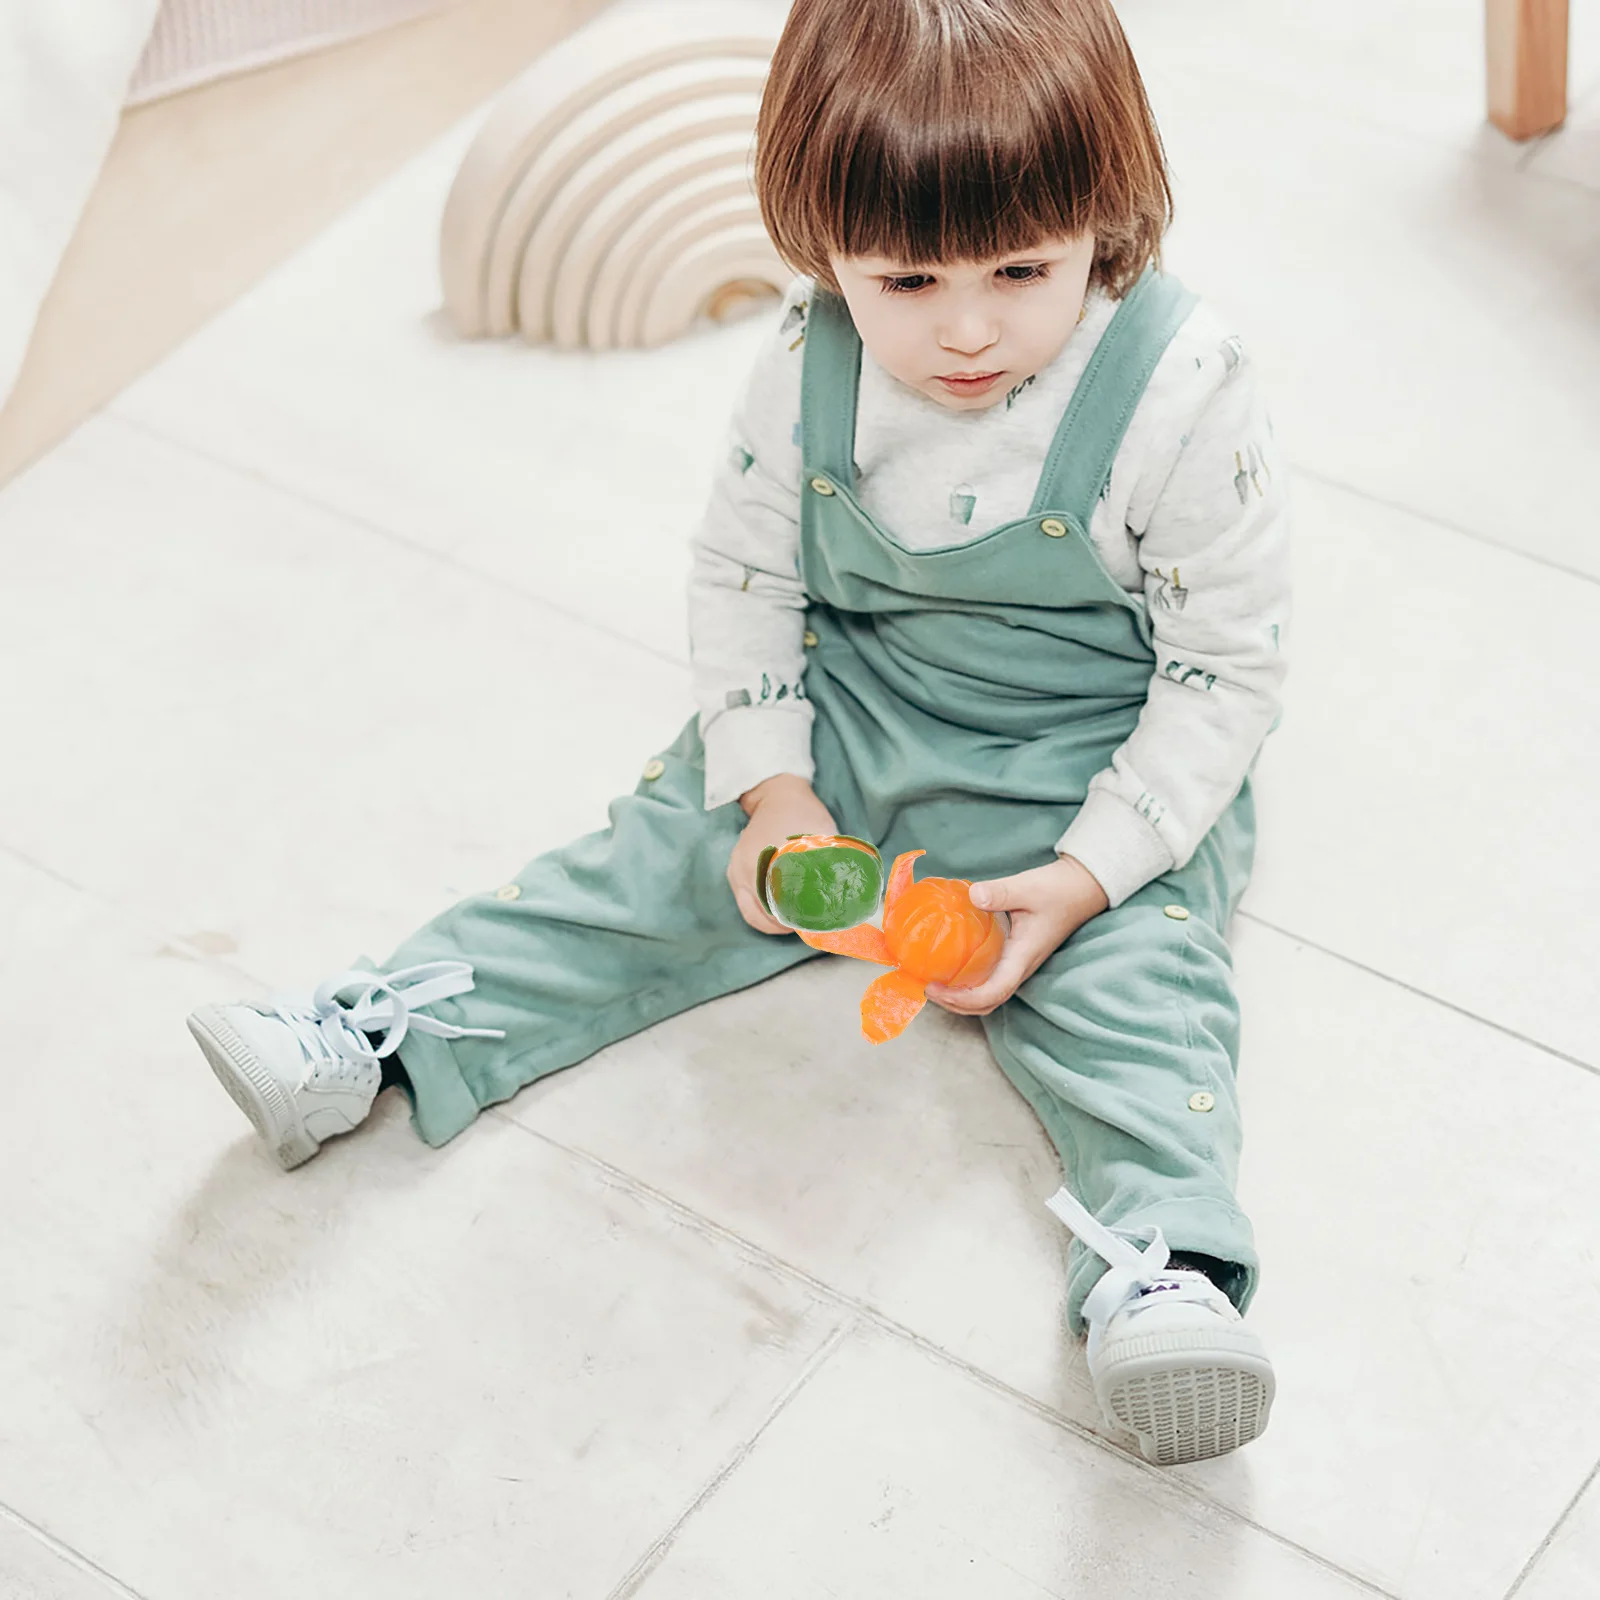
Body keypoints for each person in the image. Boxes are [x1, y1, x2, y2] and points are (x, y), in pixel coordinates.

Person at [185, 0, 1291, 1468]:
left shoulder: (1182, 390)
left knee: (1142, 1004)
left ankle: (1165, 1276)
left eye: (1023, 268)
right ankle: (381, 1027)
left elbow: (1226, 673)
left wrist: (1089, 875)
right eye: (904, 278)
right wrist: (773, 792)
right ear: (820, 246)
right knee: (645, 864)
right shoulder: (805, 360)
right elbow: (748, 578)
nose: (966, 328)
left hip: (1089, 765)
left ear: (1110, 213)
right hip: (850, 712)